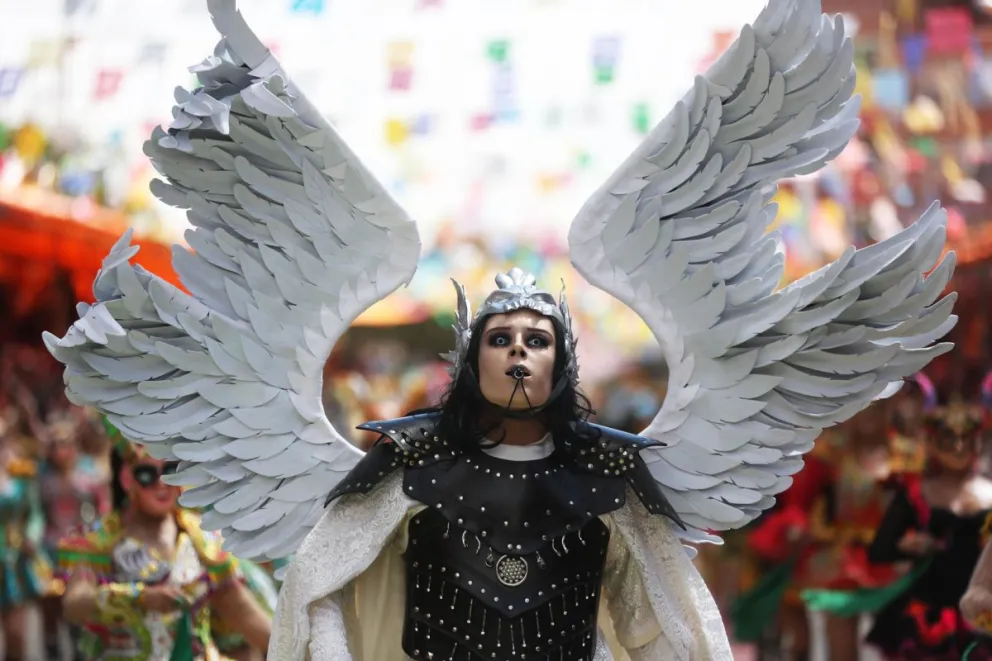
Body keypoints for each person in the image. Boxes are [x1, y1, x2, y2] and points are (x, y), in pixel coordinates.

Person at [42, 0, 956, 659]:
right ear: (469, 356)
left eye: (537, 339)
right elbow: (325, 588)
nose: (519, 350)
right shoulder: (400, 463)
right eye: (501, 338)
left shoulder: (609, 469)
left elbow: (661, 613)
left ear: (561, 360)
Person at [56, 427, 272, 661]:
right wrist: (138, 598)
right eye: (147, 475)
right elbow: (75, 604)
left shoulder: (203, 540)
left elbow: (243, 613)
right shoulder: (98, 542)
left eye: (170, 472)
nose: (161, 484)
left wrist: (300, 649)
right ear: (127, 478)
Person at [863, 384, 992, 660]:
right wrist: (907, 546)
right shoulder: (916, 493)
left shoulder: (990, 494)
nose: (958, 447)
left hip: (980, 617)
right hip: (927, 615)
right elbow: (879, 550)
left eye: (966, 439)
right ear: (932, 443)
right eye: (949, 439)